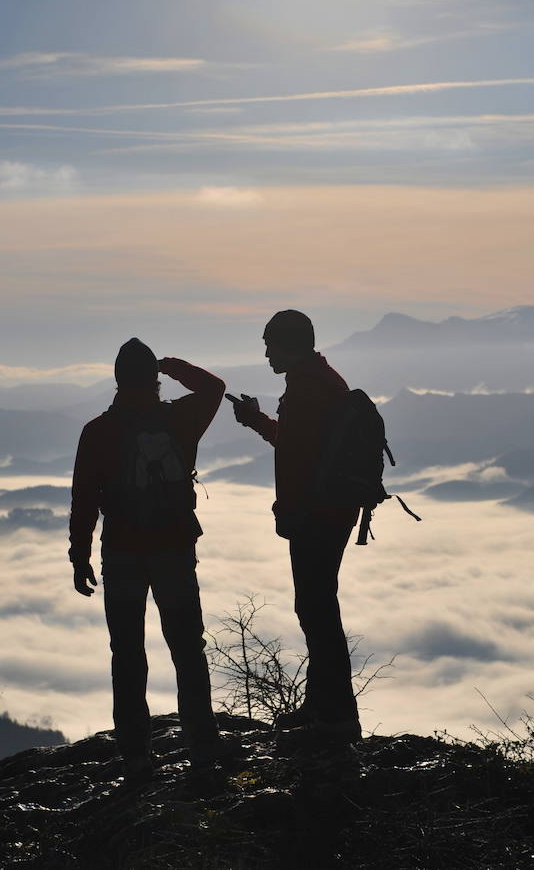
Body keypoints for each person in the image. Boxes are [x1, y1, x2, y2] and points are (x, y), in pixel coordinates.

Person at [68, 338, 225, 781]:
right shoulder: (179, 419)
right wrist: (172, 364)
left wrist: (79, 555)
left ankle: (137, 755)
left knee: (127, 654)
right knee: (188, 649)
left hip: (122, 552)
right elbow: (215, 387)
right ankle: (204, 744)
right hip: (175, 547)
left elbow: (85, 501)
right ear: (154, 378)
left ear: (117, 379)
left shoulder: (98, 431)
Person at [227, 310, 362, 742]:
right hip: (334, 509)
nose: (266, 353)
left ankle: (335, 714)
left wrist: (288, 512)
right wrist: (257, 420)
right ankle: (323, 705)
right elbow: (297, 442)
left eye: (271, 344)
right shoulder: (320, 381)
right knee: (318, 605)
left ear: (292, 345)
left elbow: (296, 456)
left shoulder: (306, 389)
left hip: (317, 513)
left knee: (317, 608)